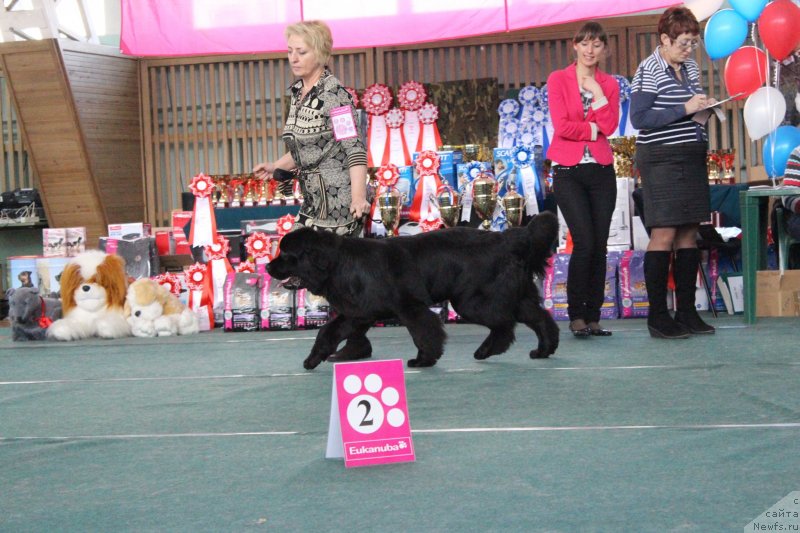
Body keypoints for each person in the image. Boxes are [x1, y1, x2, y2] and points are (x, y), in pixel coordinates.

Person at [253, 20, 371, 362]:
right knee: (316, 267)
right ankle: (352, 337)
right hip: (313, 198)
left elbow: (354, 148)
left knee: (340, 275)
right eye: (290, 50)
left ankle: (353, 339)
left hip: (341, 200)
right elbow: (306, 148)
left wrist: (359, 197)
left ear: (320, 53)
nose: (293, 57)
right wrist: (277, 166)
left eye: (301, 51)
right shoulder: (295, 93)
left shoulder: (335, 95)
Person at [630, 6, 716, 339]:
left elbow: (686, 108)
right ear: (665, 38)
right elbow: (640, 118)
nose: (689, 49)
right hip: (661, 158)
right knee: (663, 232)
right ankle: (657, 316)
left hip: (691, 154)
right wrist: (685, 108)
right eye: (683, 42)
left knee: (689, 232)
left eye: (693, 42)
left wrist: (703, 108)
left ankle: (687, 312)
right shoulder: (648, 69)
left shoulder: (691, 66)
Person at [546, 21, 620, 337]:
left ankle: (594, 316)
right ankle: (576, 315)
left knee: (600, 245)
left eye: (597, 45)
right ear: (575, 46)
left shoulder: (610, 84)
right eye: (585, 44)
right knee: (584, 242)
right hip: (568, 172)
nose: (591, 50)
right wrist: (592, 130)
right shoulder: (558, 80)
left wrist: (598, 94)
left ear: (604, 49)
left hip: (602, 171)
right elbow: (562, 126)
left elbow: (612, 125)